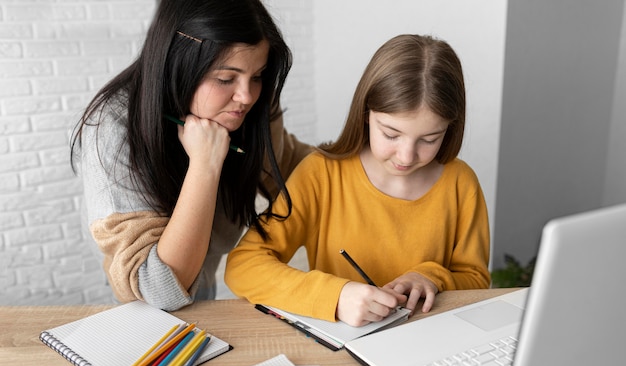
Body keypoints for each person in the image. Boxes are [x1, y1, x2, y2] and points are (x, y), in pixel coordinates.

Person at [225, 34, 491, 327]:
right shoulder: (322, 173)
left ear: (449, 129)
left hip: (430, 343)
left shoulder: (460, 183)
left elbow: (476, 279)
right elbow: (243, 266)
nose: (406, 155)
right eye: (391, 134)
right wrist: (336, 296)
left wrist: (431, 276)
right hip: (344, 344)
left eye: (429, 139)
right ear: (365, 114)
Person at [69, 0, 312, 311]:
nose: (246, 96)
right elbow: (159, 287)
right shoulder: (113, 128)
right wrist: (205, 164)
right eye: (225, 79)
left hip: (203, 272)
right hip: (143, 297)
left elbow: (288, 164)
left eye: (258, 75)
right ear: (177, 65)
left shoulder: (254, 102)